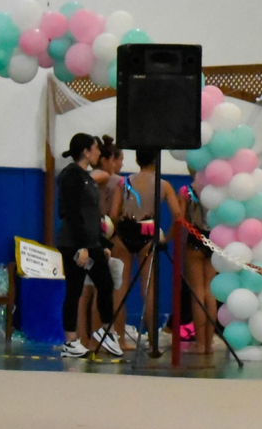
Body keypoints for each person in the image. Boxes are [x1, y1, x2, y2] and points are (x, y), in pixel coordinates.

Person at [106, 146, 183, 350]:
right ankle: (152, 344)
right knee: (149, 288)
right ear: (156, 162)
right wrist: (167, 238)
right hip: (148, 233)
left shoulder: (124, 182)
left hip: (124, 233)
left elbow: (113, 214)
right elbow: (178, 216)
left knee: (119, 288)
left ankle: (119, 339)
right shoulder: (163, 185)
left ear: (137, 160)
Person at [55, 134, 122, 358]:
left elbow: (92, 214)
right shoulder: (71, 175)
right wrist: (81, 247)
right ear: (85, 151)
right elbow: (71, 213)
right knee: (74, 290)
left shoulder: (86, 177)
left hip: (89, 242)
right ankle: (70, 340)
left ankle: (107, 330)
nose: (98, 154)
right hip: (74, 244)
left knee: (105, 282)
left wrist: (101, 243)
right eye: (95, 149)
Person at [179, 180, 215, 355]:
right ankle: (209, 344)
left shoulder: (187, 190)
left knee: (198, 292)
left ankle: (200, 344)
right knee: (210, 291)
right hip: (214, 239)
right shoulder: (216, 188)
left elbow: (182, 220)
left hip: (195, 240)